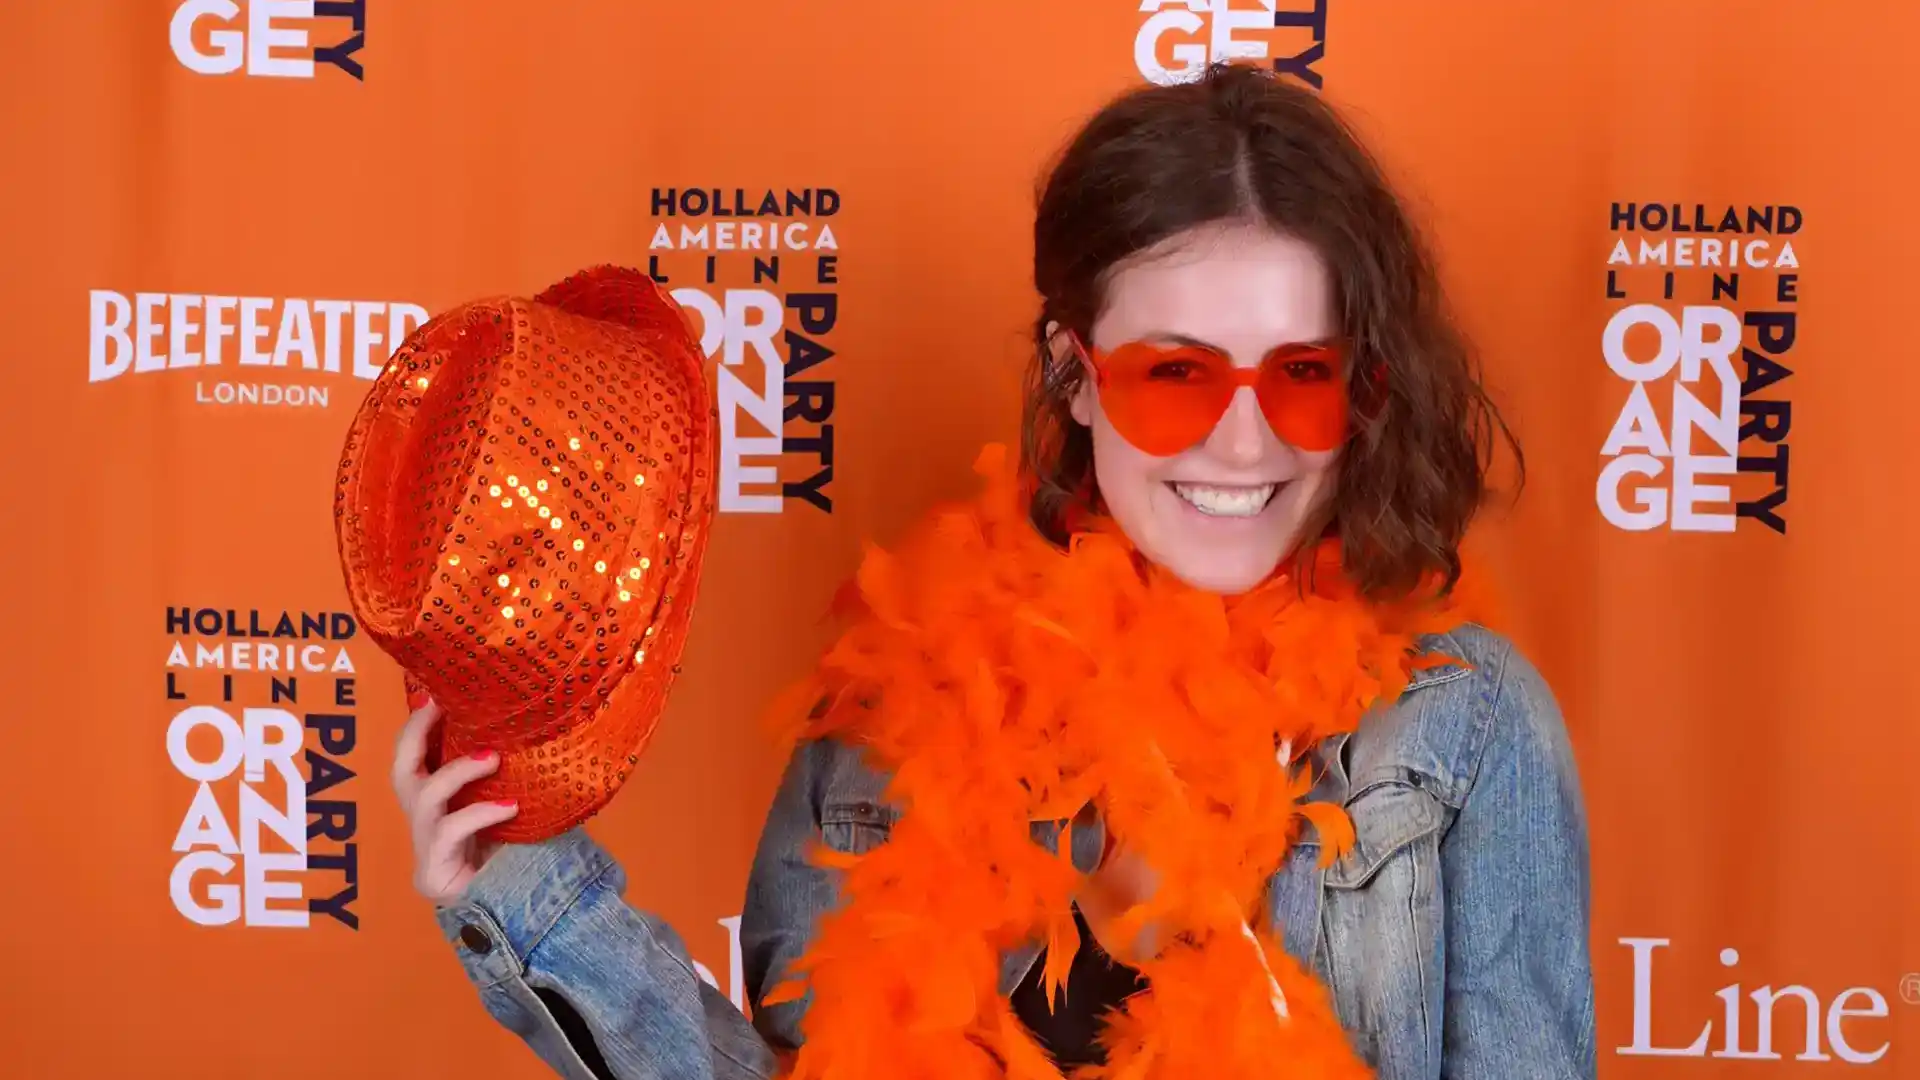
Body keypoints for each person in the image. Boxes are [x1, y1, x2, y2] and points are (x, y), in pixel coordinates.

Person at [393, 62, 1595, 1079]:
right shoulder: (884, 728)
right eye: (1174, 373)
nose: (1245, 440)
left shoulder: (1460, 730)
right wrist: (535, 894)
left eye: (1301, 373)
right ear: (1076, 373)